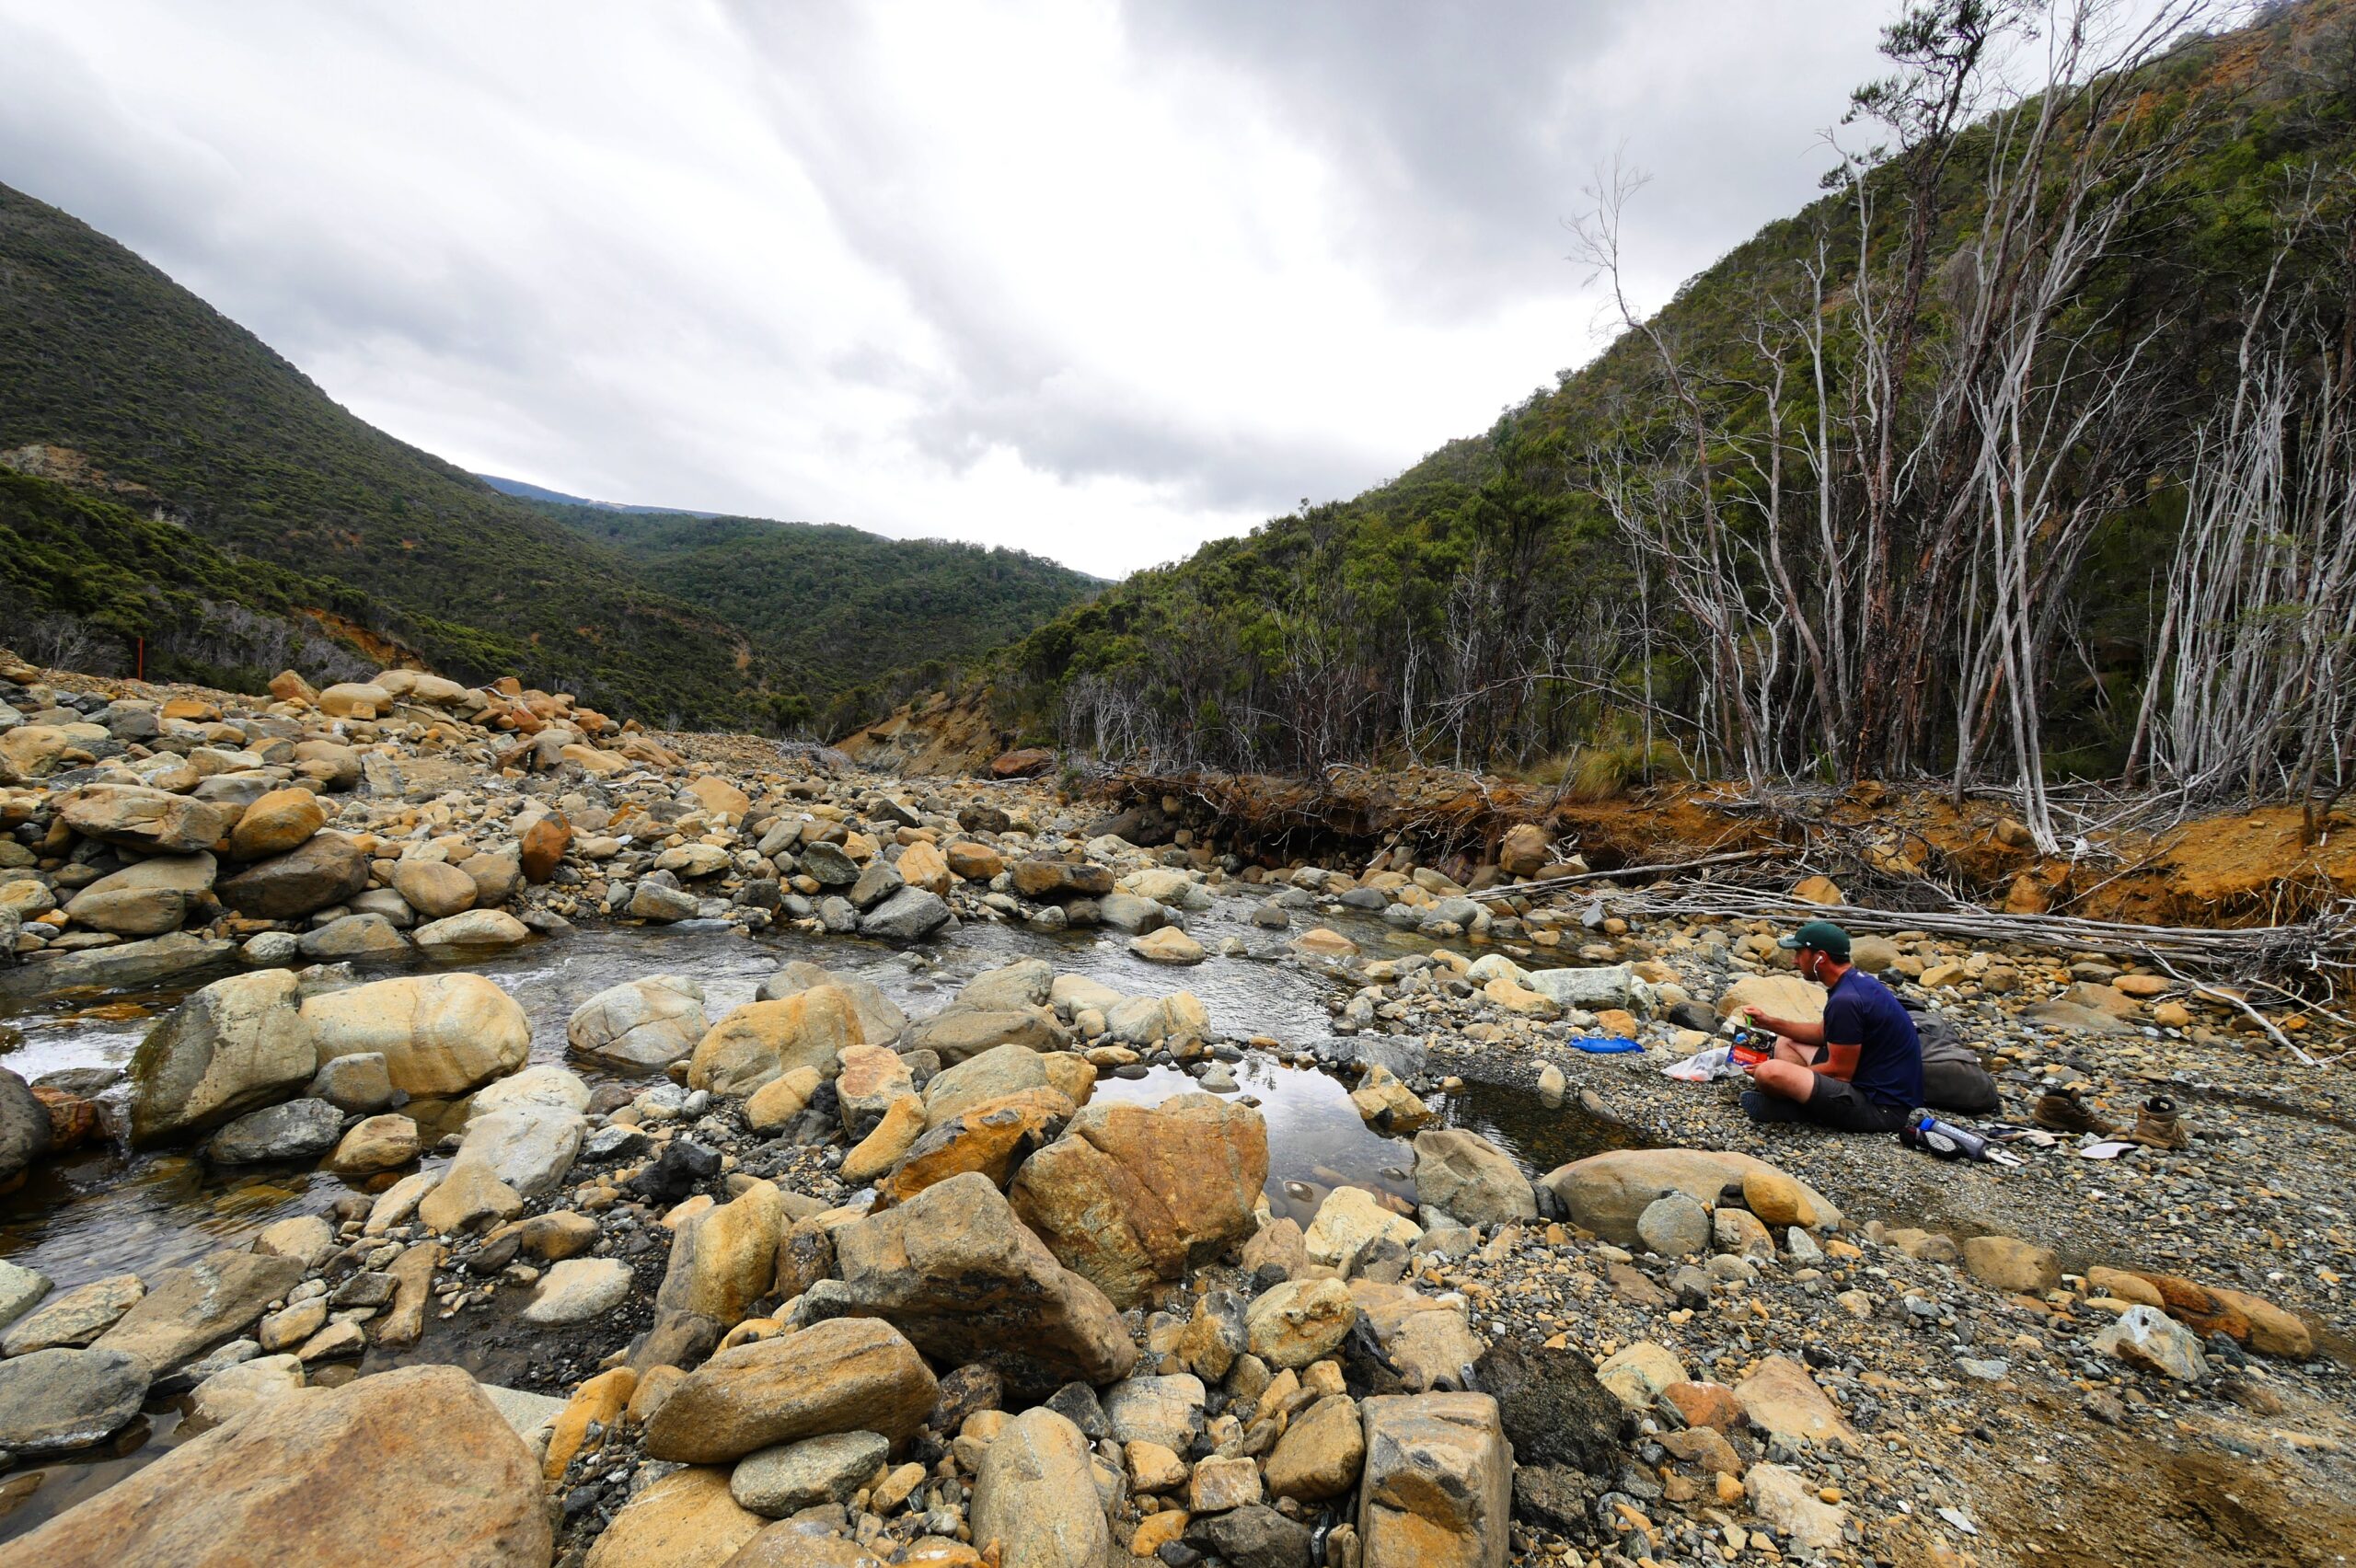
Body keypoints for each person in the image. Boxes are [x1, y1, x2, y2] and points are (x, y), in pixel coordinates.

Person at [1736, 919, 1923, 1133]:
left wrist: (1783, 1075)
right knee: (1786, 1042)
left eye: (1799, 953)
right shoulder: (1854, 983)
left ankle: (1800, 1109)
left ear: (1820, 957)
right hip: (1867, 1079)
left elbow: (1840, 1071)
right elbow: (1821, 1034)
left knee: (1769, 1073)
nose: (1796, 961)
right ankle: (1801, 1101)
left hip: (1879, 1109)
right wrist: (1769, 1022)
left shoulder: (1847, 1000)